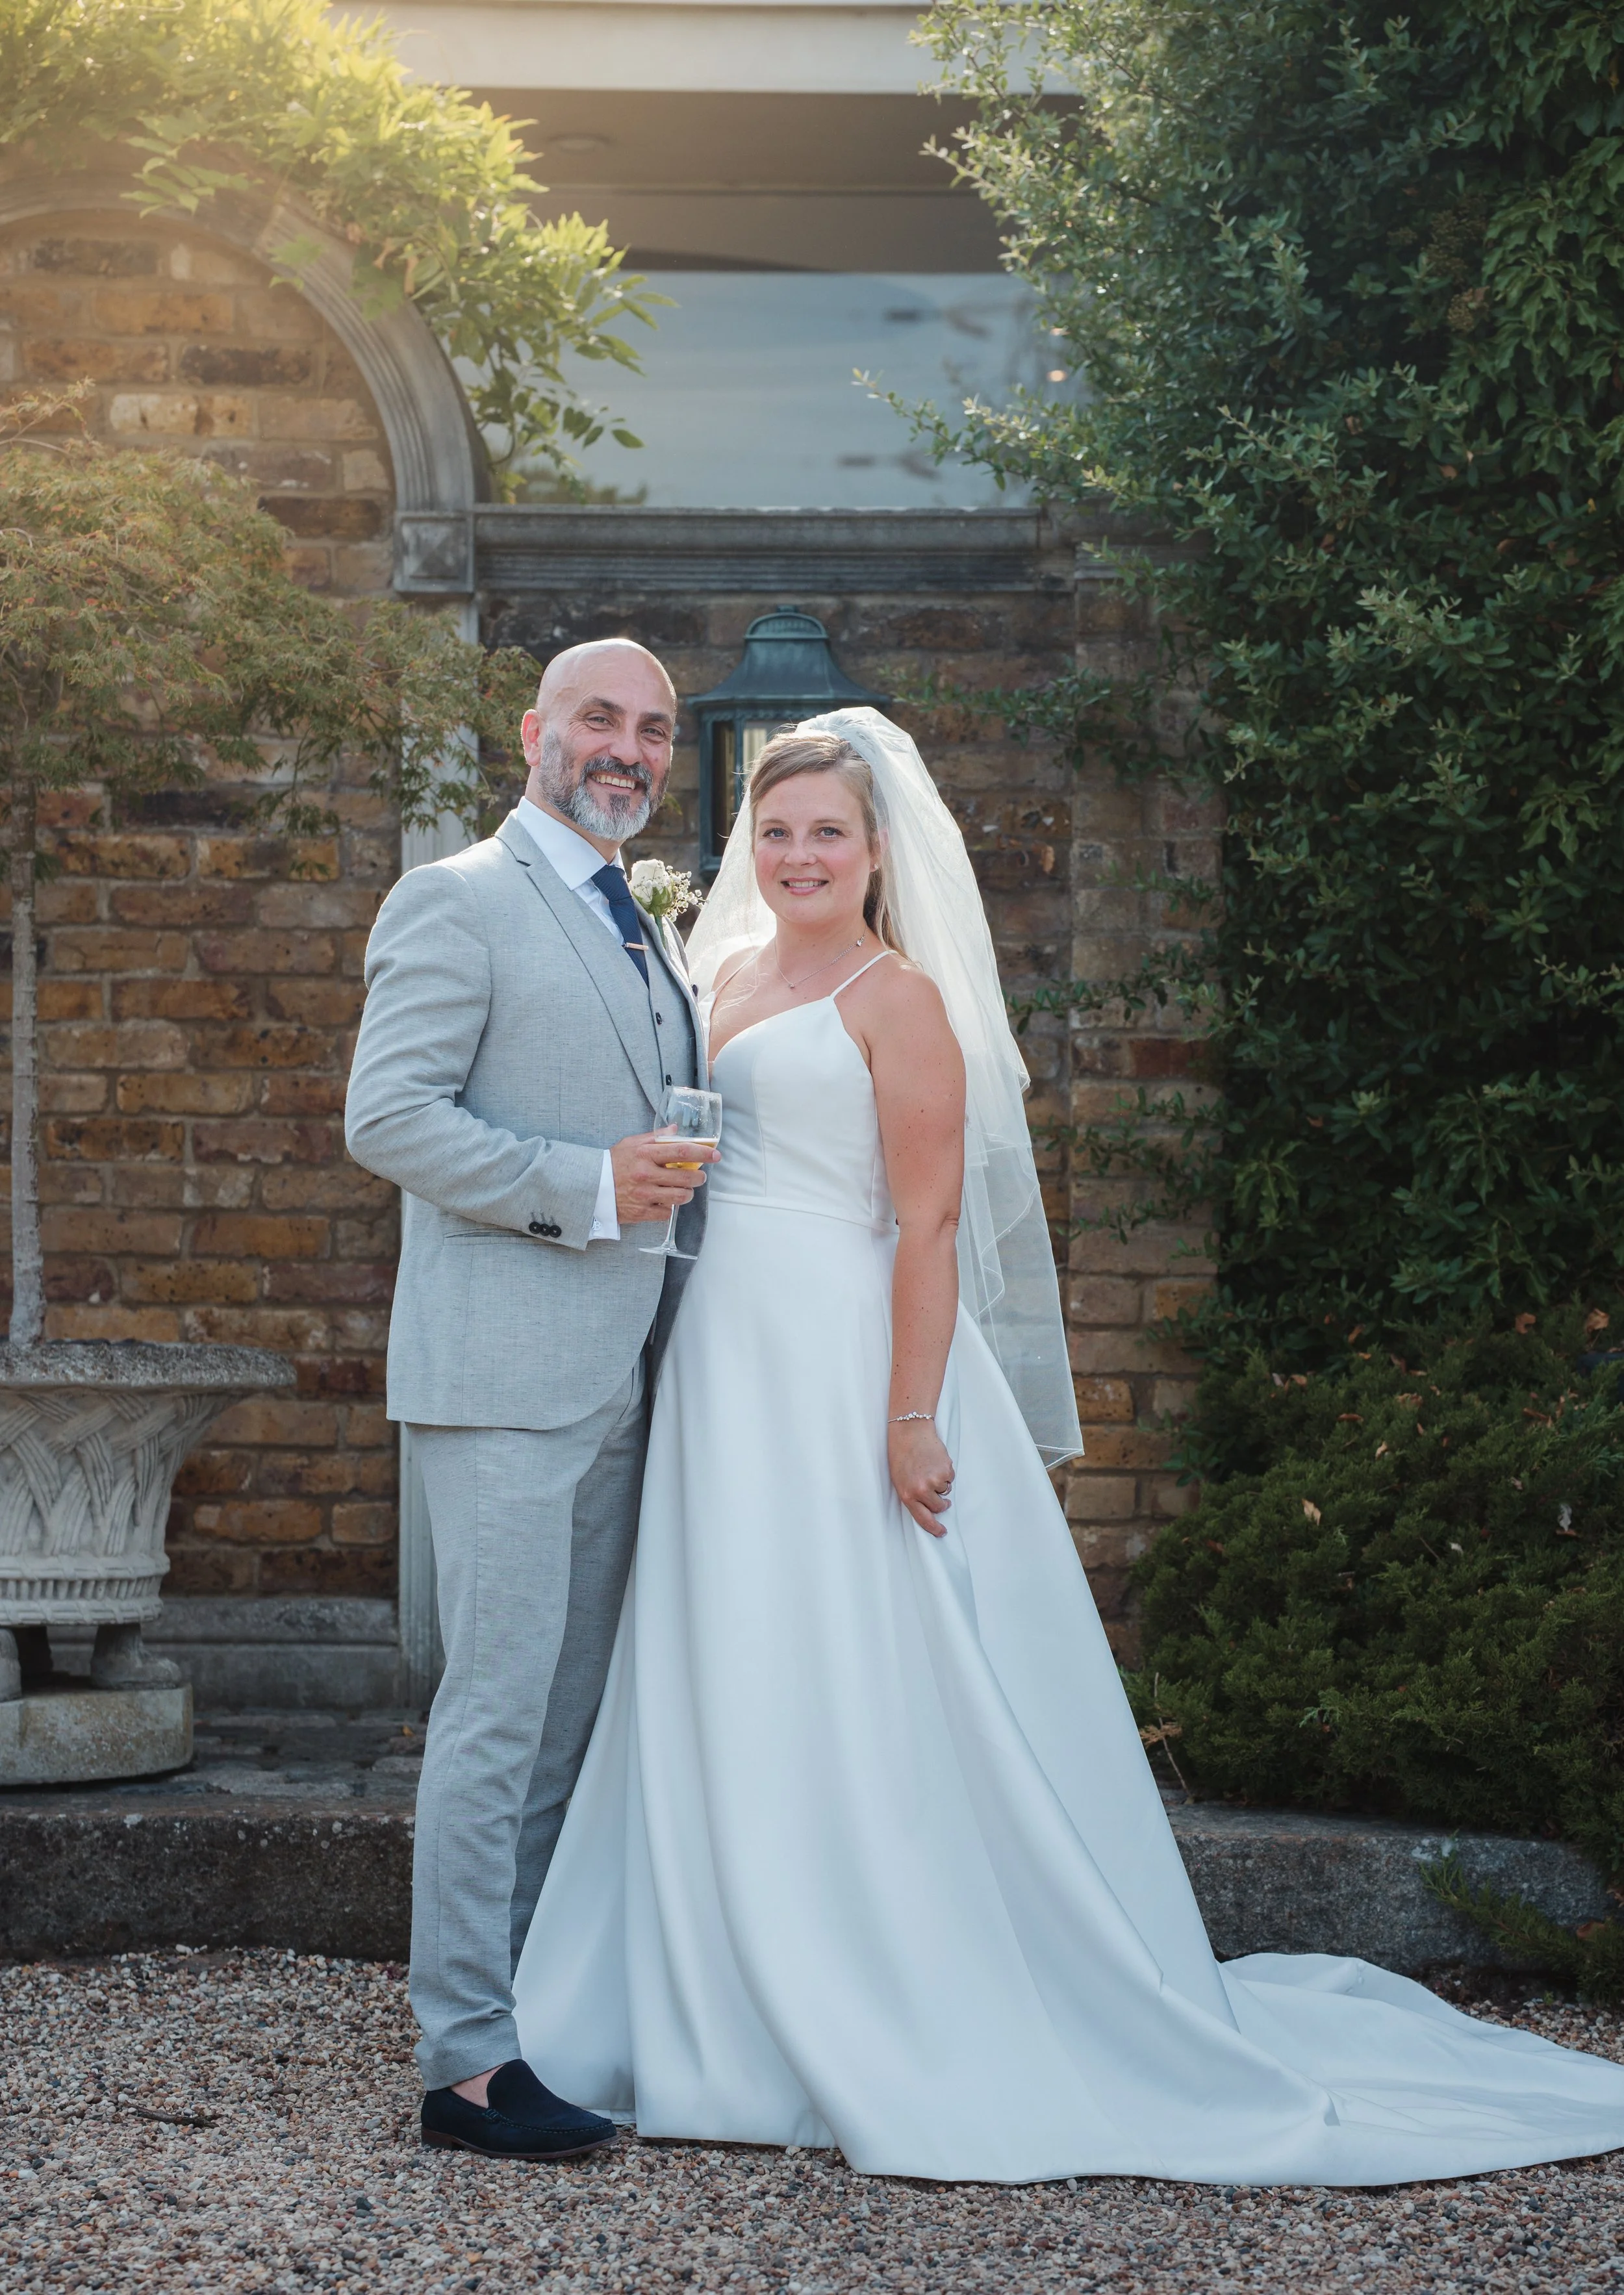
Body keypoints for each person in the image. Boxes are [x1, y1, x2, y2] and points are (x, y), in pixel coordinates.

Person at [509, 707, 1624, 2185]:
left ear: (874, 847)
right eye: (773, 832)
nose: (796, 855)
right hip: (719, 1352)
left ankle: (873, 1983)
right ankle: (705, 1979)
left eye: (825, 832)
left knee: (863, 1653)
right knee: (730, 1644)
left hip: (843, 1353)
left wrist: (909, 1413)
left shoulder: (895, 997)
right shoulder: (713, 968)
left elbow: (926, 1223)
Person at [345, 637, 717, 2161]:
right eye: (598, 720)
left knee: (561, 1722)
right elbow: (387, 1116)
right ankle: (463, 2063)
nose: (623, 747)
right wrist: (584, 1185)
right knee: (492, 1717)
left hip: (621, 1377)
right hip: (497, 1376)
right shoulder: (458, 896)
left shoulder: (645, 920)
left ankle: (528, 2016)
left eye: (649, 728)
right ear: (535, 732)